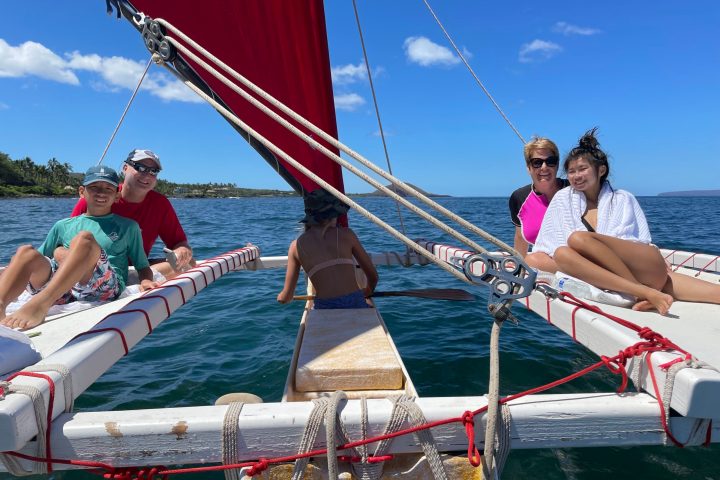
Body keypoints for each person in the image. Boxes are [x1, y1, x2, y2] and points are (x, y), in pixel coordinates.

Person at [530, 128, 720, 315]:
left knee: (578, 239)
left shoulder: (623, 198)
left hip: (643, 267)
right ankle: (644, 293)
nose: (576, 176)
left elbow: (638, 242)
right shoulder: (563, 199)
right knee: (560, 254)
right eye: (571, 171)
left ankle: (638, 293)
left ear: (601, 170)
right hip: (611, 275)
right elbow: (549, 246)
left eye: (582, 169)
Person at [0, 166, 157, 330]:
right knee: (25, 252)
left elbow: (142, 265)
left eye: (108, 189)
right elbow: (37, 260)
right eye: (94, 187)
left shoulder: (128, 226)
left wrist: (146, 281)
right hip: (64, 288)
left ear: (117, 195)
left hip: (104, 288)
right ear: (82, 192)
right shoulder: (62, 226)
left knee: (84, 239)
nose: (101, 193)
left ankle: (41, 304)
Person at [71, 149, 193, 277]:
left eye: (153, 171)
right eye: (140, 168)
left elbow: (179, 243)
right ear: (125, 168)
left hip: (138, 269)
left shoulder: (160, 204)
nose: (147, 175)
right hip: (93, 271)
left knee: (188, 262)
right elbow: (65, 243)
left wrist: (183, 251)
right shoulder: (96, 198)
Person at [277, 189, 378, 309]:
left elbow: (287, 296)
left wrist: (281, 297)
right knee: (370, 306)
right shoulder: (347, 235)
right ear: (333, 216)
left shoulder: (296, 246)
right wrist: (367, 291)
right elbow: (373, 277)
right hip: (355, 301)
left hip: (325, 306)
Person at [508, 137, 568, 270]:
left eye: (550, 161)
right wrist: (517, 268)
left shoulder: (574, 191)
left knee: (531, 261)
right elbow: (520, 237)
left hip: (579, 263)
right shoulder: (519, 198)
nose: (544, 167)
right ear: (529, 168)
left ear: (557, 165)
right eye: (537, 163)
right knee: (530, 261)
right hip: (545, 267)